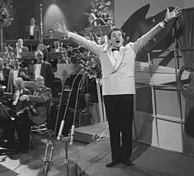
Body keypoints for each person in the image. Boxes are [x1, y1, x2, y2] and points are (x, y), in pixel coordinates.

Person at [53, 7, 181, 167]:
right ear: (110, 39)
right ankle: (116, 157)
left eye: (119, 35)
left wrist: (165, 21)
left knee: (126, 127)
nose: (117, 37)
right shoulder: (102, 51)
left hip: (126, 93)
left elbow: (148, 35)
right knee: (113, 128)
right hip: (110, 94)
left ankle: (126, 157)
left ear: (122, 38)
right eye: (114, 36)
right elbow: (85, 42)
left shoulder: (131, 48)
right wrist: (68, 33)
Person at [16, 76, 52, 151]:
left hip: (40, 116)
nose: (39, 82)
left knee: (24, 123)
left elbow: (41, 99)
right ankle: (21, 143)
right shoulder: (35, 92)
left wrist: (28, 96)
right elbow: (31, 105)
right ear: (35, 83)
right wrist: (22, 111)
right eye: (37, 81)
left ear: (44, 81)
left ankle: (24, 145)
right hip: (33, 114)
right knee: (17, 120)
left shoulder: (47, 90)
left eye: (41, 80)